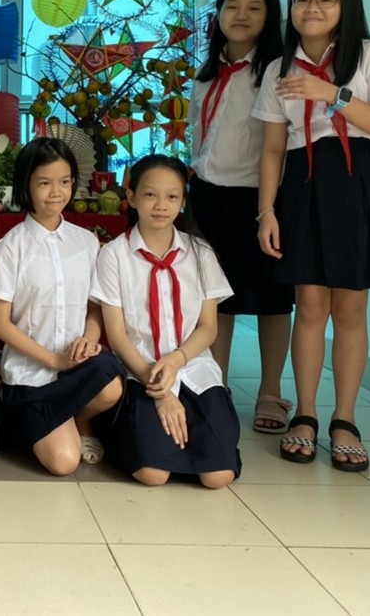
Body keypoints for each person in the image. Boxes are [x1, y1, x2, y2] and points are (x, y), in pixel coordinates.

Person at [254, 0, 370, 471]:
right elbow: (272, 149)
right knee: (308, 304)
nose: (312, 8)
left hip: (360, 180)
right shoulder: (279, 67)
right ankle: (305, 414)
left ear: (346, 5)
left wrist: (332, 94)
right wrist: (266, 211)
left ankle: (345, 419)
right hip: (304, 183)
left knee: (350, 307)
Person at [94, 154, 241, 488]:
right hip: (140, 370)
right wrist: (160, 391)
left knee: (218, 477)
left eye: (172, 196)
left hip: (193, 369)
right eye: (150, 195)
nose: (161, 205)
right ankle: (117, 431)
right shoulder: (113, 255)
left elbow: (209, 327)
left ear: (182, 201)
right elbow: (116, 335)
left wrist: (176, 361)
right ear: (131, 197)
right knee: (153, 474)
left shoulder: (200, 253)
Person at [189, 0, 294, 433]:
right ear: (219, 13)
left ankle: (270, 391)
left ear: (270, 16)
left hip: (260, 196)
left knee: (273, 297)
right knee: (216, 297)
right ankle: (216, 385)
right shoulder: (206, 74)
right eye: (232, 6)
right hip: (208, 193)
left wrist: (271, 205)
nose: (241, 15)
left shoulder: (277, 72)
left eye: (254, 7)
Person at [0, 138, 124, 476]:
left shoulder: (86, 242)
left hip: (77, 367)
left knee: (112, 384)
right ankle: (28, 419)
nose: (56, 192)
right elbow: (0, 323)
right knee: (63, 463)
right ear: (26, 185)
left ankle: (81, 421)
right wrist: (54, 360)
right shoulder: (11, 247)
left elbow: (95, 307)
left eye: (64, 182)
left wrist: (89, 339)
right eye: (45, 183)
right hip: (31, 374)